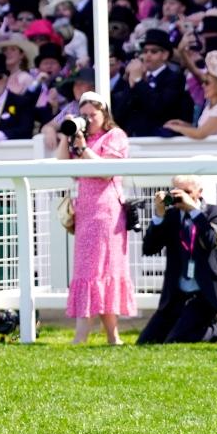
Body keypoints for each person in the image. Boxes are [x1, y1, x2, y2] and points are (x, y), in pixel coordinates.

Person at [57, 91, 136, 345]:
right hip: (85, 211)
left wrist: (83, 148)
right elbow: (62, 165)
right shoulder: (81, 137)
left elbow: (105, 171)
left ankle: (83, 336)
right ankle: (112, 337)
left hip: (107, 211)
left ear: (104, 114)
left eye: (93, 115)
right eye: (84, 115)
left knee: (101, 270)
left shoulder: (115, 136)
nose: (89, 120)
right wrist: (67, 134)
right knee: (92, 271)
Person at [137, 176, 217, 344]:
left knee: (177, 340)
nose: (181, 197)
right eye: (176, 192)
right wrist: (159, 215)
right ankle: (201, 326)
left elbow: (211, 241)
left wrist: (193, 210)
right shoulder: (171, 215)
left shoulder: (214, 212)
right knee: (146, 342)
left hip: (205, 294)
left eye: (187, 192)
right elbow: (149, 248)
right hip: (177, 295)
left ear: (199, 192)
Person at [164, 52, 217, 138]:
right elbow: (203, 130)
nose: (203, 86)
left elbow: (200, 134)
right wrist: (184, 125)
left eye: (207, 82)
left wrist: (177, 128)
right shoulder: (210, 106)